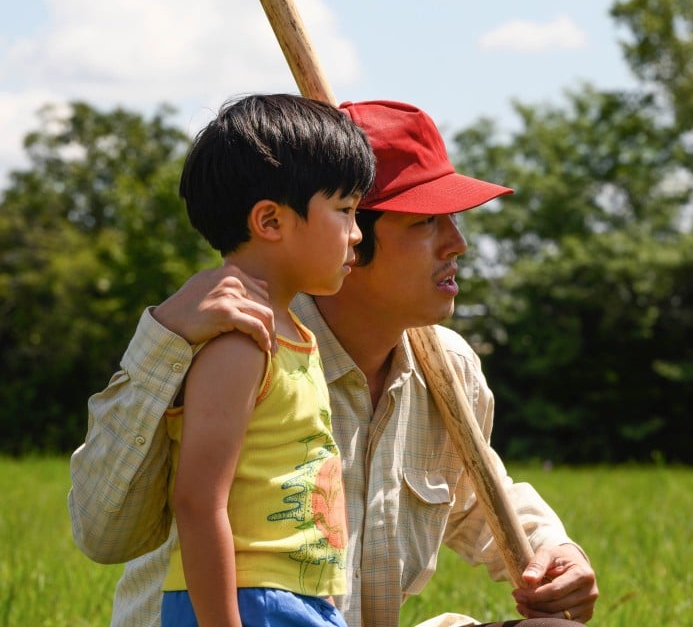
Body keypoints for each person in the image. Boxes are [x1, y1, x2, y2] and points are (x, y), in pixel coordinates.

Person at [69, 99, 599, 627]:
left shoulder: (449, 368)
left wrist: (554, 550)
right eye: (424, 222)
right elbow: (102, 531)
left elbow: (475, 496)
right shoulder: (234, 338)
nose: (457, 243)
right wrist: (162, 339)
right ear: (352, 231)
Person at [161, 93, 375, 626]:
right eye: (346, 211)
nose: (357, 233)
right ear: (271, 221)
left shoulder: (295, 334)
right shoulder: (239, 343)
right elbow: (196, 500)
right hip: (249, 599)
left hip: (296, 600)